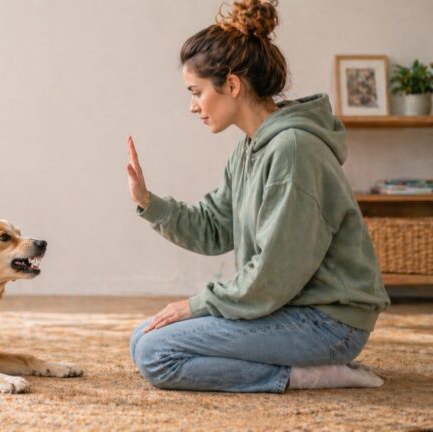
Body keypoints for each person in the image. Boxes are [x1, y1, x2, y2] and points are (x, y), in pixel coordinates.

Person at [126, 0, 390, 393]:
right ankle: (299, 366)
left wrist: (195, 305)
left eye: (196, 92)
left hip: (328, 324)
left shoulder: (294, 150)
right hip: (289, 309)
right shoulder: (252, 147)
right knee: (142, 339)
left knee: (156, 355)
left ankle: (308, 374)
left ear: (231, 85)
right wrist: (148, 202)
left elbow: (273, 274)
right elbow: (215, 228)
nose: (192, 106)